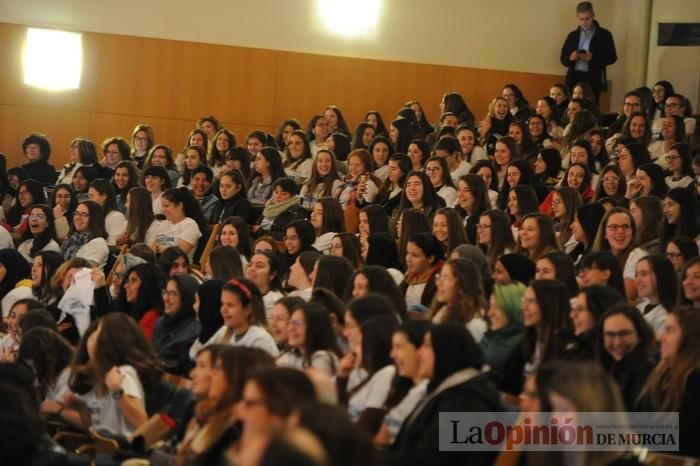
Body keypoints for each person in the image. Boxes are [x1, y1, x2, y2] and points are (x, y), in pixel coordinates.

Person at [390, 322, 502, 466]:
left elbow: (427, 461)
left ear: (446, 351)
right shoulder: (447, 391)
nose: (419, 352)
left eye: (427, 346)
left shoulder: (467, 407)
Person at [65, 314, 164, 437]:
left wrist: (117, 390)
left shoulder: (122, 373)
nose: (93, 337)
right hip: (102, 448)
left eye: (99, 334)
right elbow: (93, 428)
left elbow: (141, 423)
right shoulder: (100, 374)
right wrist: (81, 408)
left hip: (123, 451)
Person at [638, 307, 700, 458]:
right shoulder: (661, 374)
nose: (660, 338)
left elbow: (679, 438)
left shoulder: (695, 380)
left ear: (690, 337)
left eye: (669, 330)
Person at [199, 278, 278, 357]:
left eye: (230, 305)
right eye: (222, 304)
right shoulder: (224, 332)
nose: (223, 310)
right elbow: (202, 356)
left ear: (248, 309)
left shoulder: (260, 340)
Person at [598, 304, 656, 411]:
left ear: (640, 335)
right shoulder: (605, 365)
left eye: (624, 334)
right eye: (610, 335)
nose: (617, 342)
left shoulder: (646, 368)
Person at [560, 2, 617, 105]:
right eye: (581, 19)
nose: (584, 22)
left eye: (587, 19)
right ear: (577, 17)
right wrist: (571, 58)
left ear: (593, 16)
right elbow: (563, 59)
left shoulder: (604, 35)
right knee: (572, 106)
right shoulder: (572, 35)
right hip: (574, 77)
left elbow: (612, 57)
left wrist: (593, 58)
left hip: (593, 77)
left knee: (592, 107)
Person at [152, 274, 201, 376]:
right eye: (165, 292)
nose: (165, 298)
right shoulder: (161, 322)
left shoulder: (195, 329)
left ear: (186, 297)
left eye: (173, 293)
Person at [277, 302, 341, 376]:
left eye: (298, 323)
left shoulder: (323, 358)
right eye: (290, 322)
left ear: (315, 327)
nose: (291, 328)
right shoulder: (294, 355)